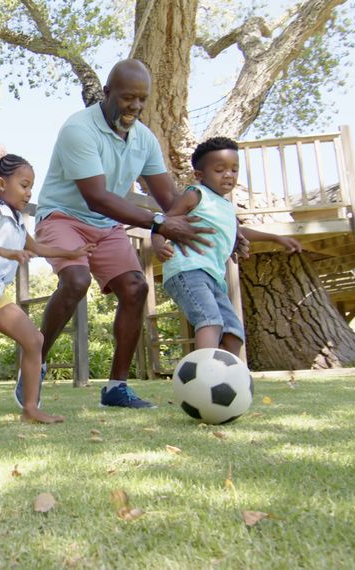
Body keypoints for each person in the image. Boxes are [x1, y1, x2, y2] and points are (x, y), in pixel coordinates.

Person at [19, 58, 215, 411]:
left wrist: (226, 230)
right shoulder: (78, 129)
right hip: (63, 216)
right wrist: (157, 223)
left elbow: (169, 198)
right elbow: (97, 196)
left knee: (136, 288)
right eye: (128, 98)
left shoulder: (144, 139)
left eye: (142, 99)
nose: (135, 107)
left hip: (106, 225)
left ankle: (116, 388)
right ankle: (35, 362)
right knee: (76, 281)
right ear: (107, 93)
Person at [0, 146, 96, 433]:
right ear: (2, 184)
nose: (29, 193)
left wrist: (73, 251)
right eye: (24, 185)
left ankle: (30, 409)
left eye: (31, 187)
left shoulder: (17, 220)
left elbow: (37, 247)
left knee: (35, 341)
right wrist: (5, 252)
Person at [153, 136, 302, 355]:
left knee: (233, 333)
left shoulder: (226, 206)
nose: (228, 175)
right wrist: (158, 244)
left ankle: (225, 375)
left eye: (234, 169)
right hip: (187, 269)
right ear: (199, 175)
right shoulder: (196, 195)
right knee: (210, 320)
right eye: (220, 169)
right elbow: (165, 221)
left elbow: (238, 232)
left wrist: (275, 238)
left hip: (213, 276)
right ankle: (205, 374)